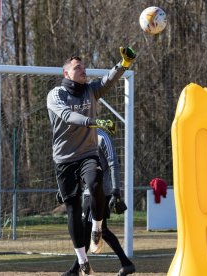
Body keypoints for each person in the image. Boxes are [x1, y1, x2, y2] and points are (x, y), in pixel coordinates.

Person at [47, 47, 136, 275]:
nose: (83, 70)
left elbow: (107, 81)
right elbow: (68, 116)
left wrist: (123, 64)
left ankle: (97, 228)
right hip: (65, 159)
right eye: (78, 68)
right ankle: (82, 262)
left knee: (95, 182)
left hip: (87, 154)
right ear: (66, 73)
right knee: (73, 210)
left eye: (84, 67)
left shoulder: (90, 91)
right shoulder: (56, 95)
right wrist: (93, 122)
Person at [61, 124, 135, 276]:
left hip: (100, 192)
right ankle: (126, 264)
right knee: (102, 231)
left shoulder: (102, 136)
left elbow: (114, 163)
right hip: (89, 192)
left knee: (86, 229)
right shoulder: (80, 139)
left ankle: (75, 270)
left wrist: (116, 191)